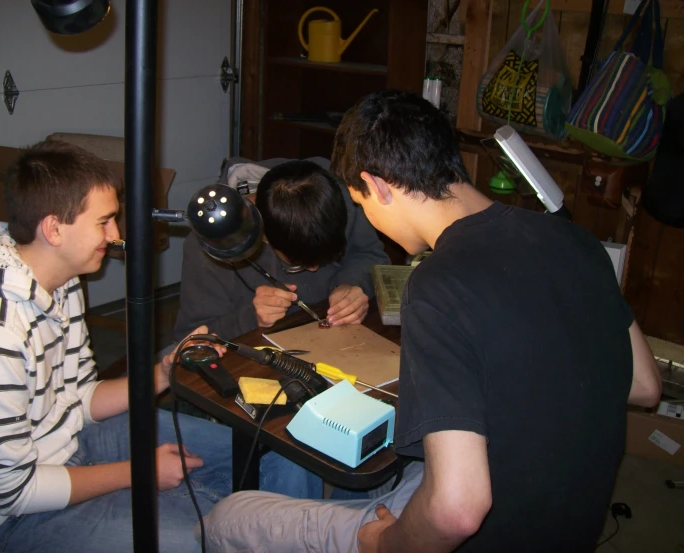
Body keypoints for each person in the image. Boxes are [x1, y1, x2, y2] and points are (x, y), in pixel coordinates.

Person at [196, 90, 663, 553]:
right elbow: (644, 384)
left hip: (484, 536)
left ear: (377, 186)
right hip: (570, 530)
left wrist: (384, 545)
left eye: (362, 205)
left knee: (227, 520)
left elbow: (458, 509)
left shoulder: (438, 285)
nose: (370, 220)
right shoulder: (576, 239)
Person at [0, 140, 320, 553]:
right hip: (12, 517)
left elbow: (82, 396)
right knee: (208, 538)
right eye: (104, 222)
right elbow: (12, 491)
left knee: (280, 450)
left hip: (75, 441)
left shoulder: (59, 278)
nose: (117, 235)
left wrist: (163, 372)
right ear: (54, 229)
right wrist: (138, 472)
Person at [174, 157, 390, 342]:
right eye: (297, 263)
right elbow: (191, 342)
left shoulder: (334, 193)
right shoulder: (211, 246)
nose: (314, 270)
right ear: (264, 235)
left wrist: (353, 284)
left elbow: (371, 255)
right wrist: (251, 317)